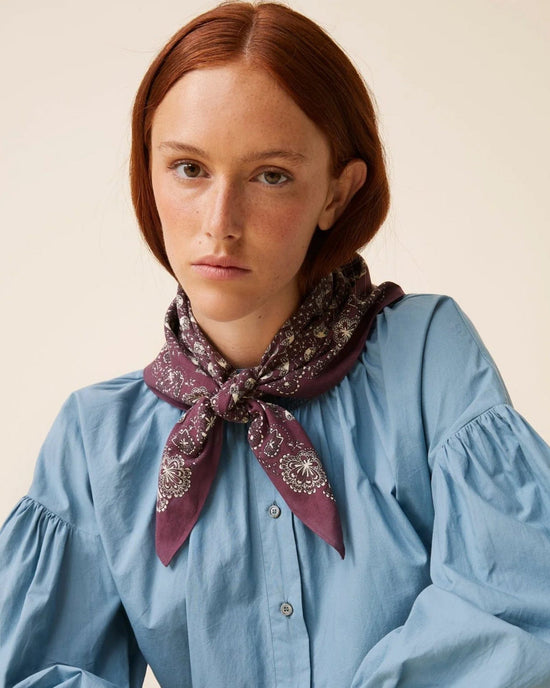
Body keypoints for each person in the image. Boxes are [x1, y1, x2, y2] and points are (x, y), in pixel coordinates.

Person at [1, 2, 549, 686]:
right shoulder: (95, 442)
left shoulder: (428, 360)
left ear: (337, 193)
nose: (220, 224)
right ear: (149, 171)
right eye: (189, 169)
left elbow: (517, 609)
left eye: (271, 176)